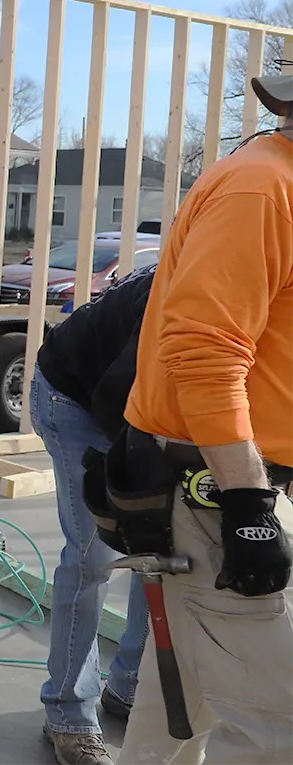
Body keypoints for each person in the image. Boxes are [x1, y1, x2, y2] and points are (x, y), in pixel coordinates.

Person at [115, 73, 293, 764]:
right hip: (215, 489)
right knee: (276, 724)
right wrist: (247, 503)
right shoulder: (263, 190)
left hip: (231, 480)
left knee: (180, 709)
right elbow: (205, 349)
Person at [33, 263, 155, 765]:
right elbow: (116, 398)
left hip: (134, 401)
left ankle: (129, 686)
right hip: (76, 399)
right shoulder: (187, 293)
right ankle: (69, 713)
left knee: (164, 550)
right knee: (93, 554)